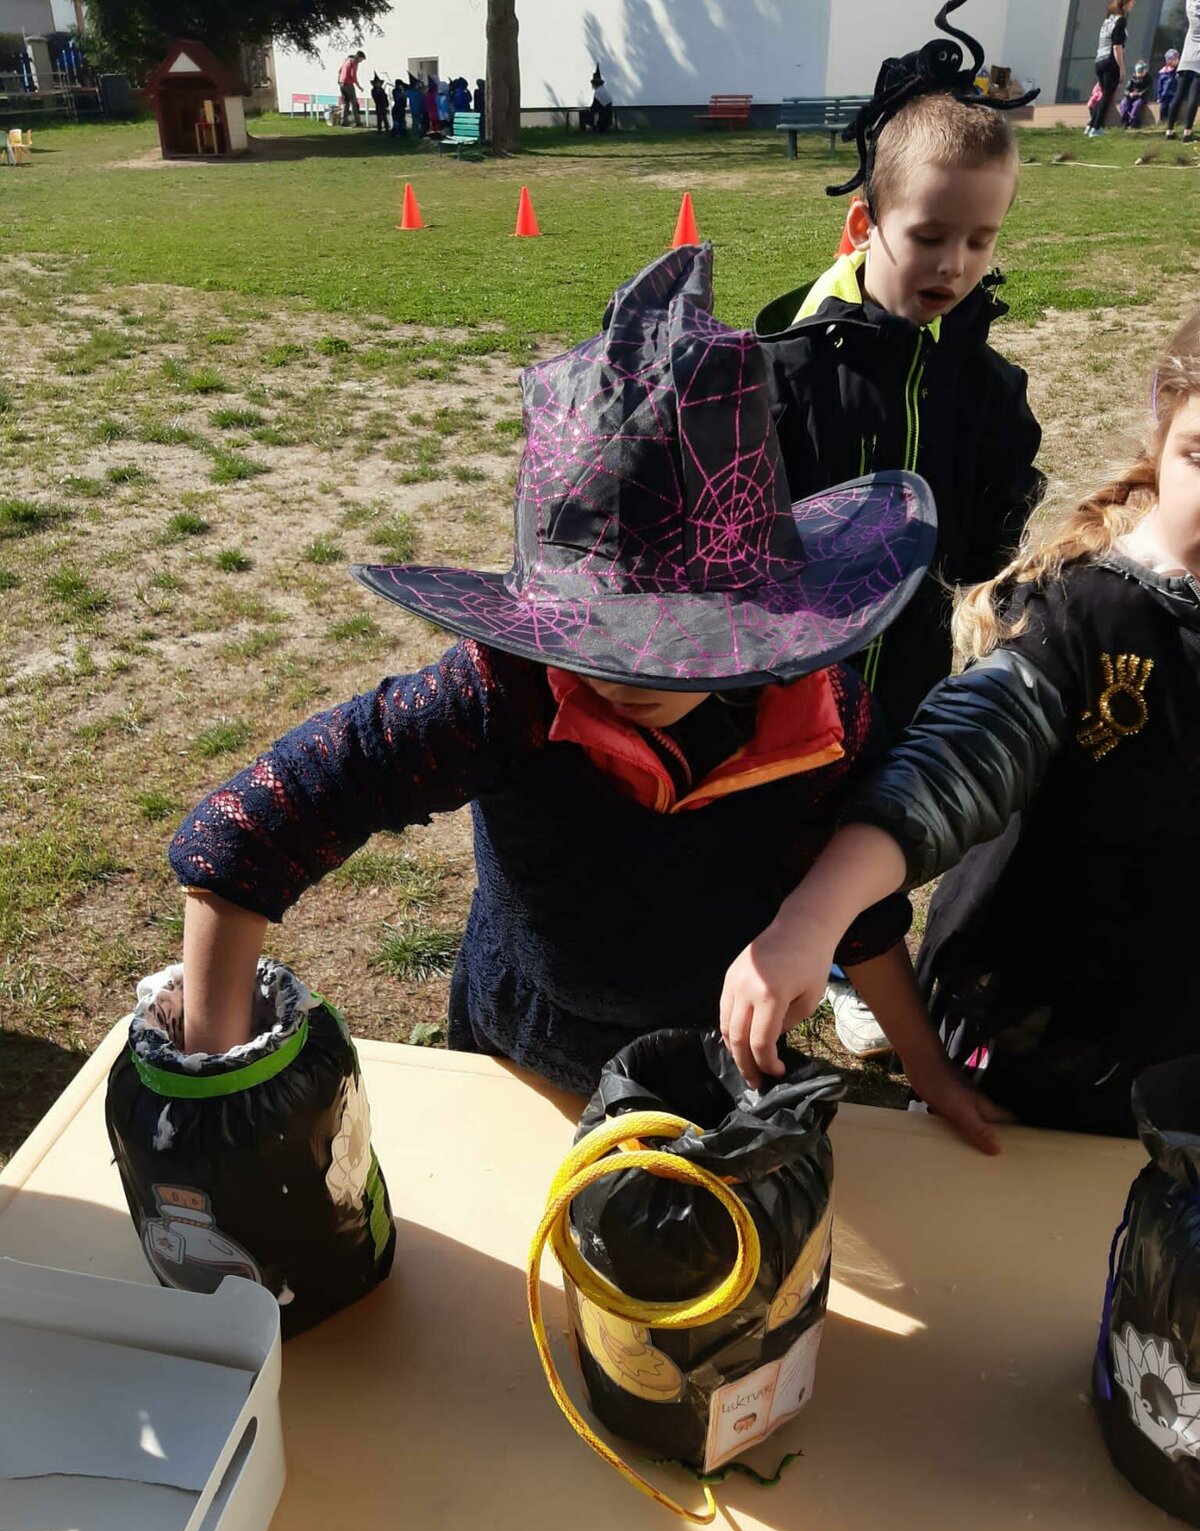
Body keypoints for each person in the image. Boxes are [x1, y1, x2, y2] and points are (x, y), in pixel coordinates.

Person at [167, 246, 935, 1103]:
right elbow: (251, 830)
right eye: (589, 634)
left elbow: (860, 913)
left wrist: (930, 1071)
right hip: (519, 1059)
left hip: (709, 1071)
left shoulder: (823, 724)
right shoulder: (503, 692)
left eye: (673, 640)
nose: (621, 672)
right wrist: (213, 1082)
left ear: (756, 617)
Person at [721, 306, 1200, 1144]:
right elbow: (957, 757)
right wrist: (811, 918)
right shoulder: (1081, 616)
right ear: (1163, 433)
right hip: (1031, 1036)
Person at [754, 0, 1044, 1058]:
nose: (955, 262)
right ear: (864, 224)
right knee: (762, 823)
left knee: (878, 820)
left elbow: (994, 543)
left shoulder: (992, 390)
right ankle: (746, 946)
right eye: (929, 235)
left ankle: (852, 964)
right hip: (784, 676)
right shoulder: (784, 372)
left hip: (909, 671)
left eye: (980, 238)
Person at [1087, 0, 1134, 137]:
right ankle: (1096, 128)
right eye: (1131, 3)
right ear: (1124, 4)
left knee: (1104, 95)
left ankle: (1091, 125)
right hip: (1110, 62)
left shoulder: (1108, 20)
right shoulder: (1120, 21)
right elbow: (1117, 46)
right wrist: (1121, 68)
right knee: (1107, 96)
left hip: (1099, 61)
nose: (1133, 5)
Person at [1165, 0, 1200, 140]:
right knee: (1194, 96)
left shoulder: (1191, 8)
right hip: (1198, 62)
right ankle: (1187, 131)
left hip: (1185, 60)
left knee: (1178, 95)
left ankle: (1169, 130)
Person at [580, 65, 615, 132]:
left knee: (583, 114)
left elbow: (595, 106)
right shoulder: (604, 90)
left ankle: (583, 130)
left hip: (601, 117)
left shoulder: (598, 92)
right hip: (607, 116)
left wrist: (588, 109)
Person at [338, 50, 366, 128]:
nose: (361, 61)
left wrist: (339, 80)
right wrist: (359, 86)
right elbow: (353, 75)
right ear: (359, 57)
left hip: (342, 83)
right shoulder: (354, 62)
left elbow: (340, 71)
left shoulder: (346, 60)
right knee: (354, 103)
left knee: (345, 103)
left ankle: (344, 121)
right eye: (361, 59)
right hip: (348, 84)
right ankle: (358, 122)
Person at [1118, 59, 1151, 125]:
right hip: (1132, 96)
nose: (1140, 74)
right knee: (1123, 103)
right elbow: (1126, 89)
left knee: (1136, 105)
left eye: (1142, 72)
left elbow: (1148, 89)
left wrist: (1140, 93)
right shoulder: (1132, 79)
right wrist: (1129, 94)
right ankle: (1125, 119)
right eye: (1138, 72)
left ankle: (1133, 120)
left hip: (1141, 97)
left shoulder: (1148, 79)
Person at [1156, 47, 1180, 124]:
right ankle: (1162, 121)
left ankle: (1173, 121)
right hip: (1164, 95)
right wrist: (1159, 96)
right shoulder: (1163, 73)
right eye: (1174, 59)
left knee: (1172, 107)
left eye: (1177, 58)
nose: (1177, 60)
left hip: (1174, 94)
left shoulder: (1178, 72)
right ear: (1169, 60)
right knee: (1163, 108)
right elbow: (1159, 85)